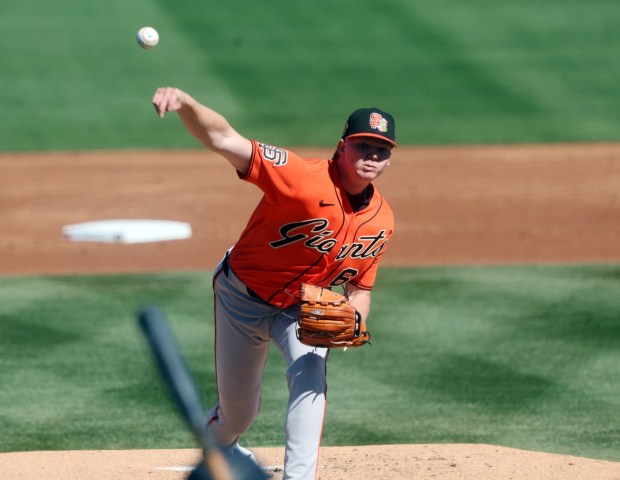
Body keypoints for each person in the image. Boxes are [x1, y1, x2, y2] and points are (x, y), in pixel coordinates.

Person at [151, 87, 397, 480]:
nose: (371, 155)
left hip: (300, 308)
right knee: (239, 412)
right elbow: (224, 139)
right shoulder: (299, 177)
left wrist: (353, 319)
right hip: (241, 296)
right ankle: (221, 448)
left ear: (389, 159)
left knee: (311, 376)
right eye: (362, 145)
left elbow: (360, 288)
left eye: (381, 150)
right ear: (342, 147)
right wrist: (188, 104)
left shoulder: (382, 221)